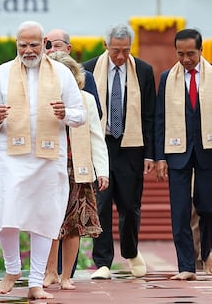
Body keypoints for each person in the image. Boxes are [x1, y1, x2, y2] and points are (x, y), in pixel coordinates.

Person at [0, 21, 86, 300]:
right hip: (11, 157)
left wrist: (65, 114)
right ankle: (12, 268)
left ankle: (36, 281)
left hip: (48, 159)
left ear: (45, 45)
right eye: (22, 45)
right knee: (4, 216)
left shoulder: (62, 73)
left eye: (34, 45)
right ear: (17, 45)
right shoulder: (3, 73)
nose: (28, 50)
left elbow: (80, 115)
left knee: (43, 218)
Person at [83, 23, 156, 279]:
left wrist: (150, 153)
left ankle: (131, 251)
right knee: (101, 204)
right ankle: (103, 262)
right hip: (101, 144)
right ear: (106, 46)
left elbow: (149, 115)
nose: (121, 57)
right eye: (116, 51)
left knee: (130, 205)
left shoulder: (144, 71)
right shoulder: (90, 69)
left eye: (126, 51)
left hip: (131, 146)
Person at [44, 51, 109, 289]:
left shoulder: (86, 100)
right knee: (49, 222)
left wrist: (102, 170)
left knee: (74, 224)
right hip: (49, 166)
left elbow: (96, 137)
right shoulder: (43, 99)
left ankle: (66, 277)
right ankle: (50, 271)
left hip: (77, 168)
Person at [155, 28, 212, 280]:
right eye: (181, 54)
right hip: (176, 152)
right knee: (179, 211)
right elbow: (159, 119)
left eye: (191, 53)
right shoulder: (168, 78)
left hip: (208, 152)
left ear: (200, 51)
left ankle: (208, 255)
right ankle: (186, 267)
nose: (186, 59)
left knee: (207, 207)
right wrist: (159, 157)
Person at [45, 28, 102, 118]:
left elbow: (96, 113)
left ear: (68, 49)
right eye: (47, 46)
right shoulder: (39, 75)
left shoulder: (85, 76)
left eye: (57, 46)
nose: (52, 50)